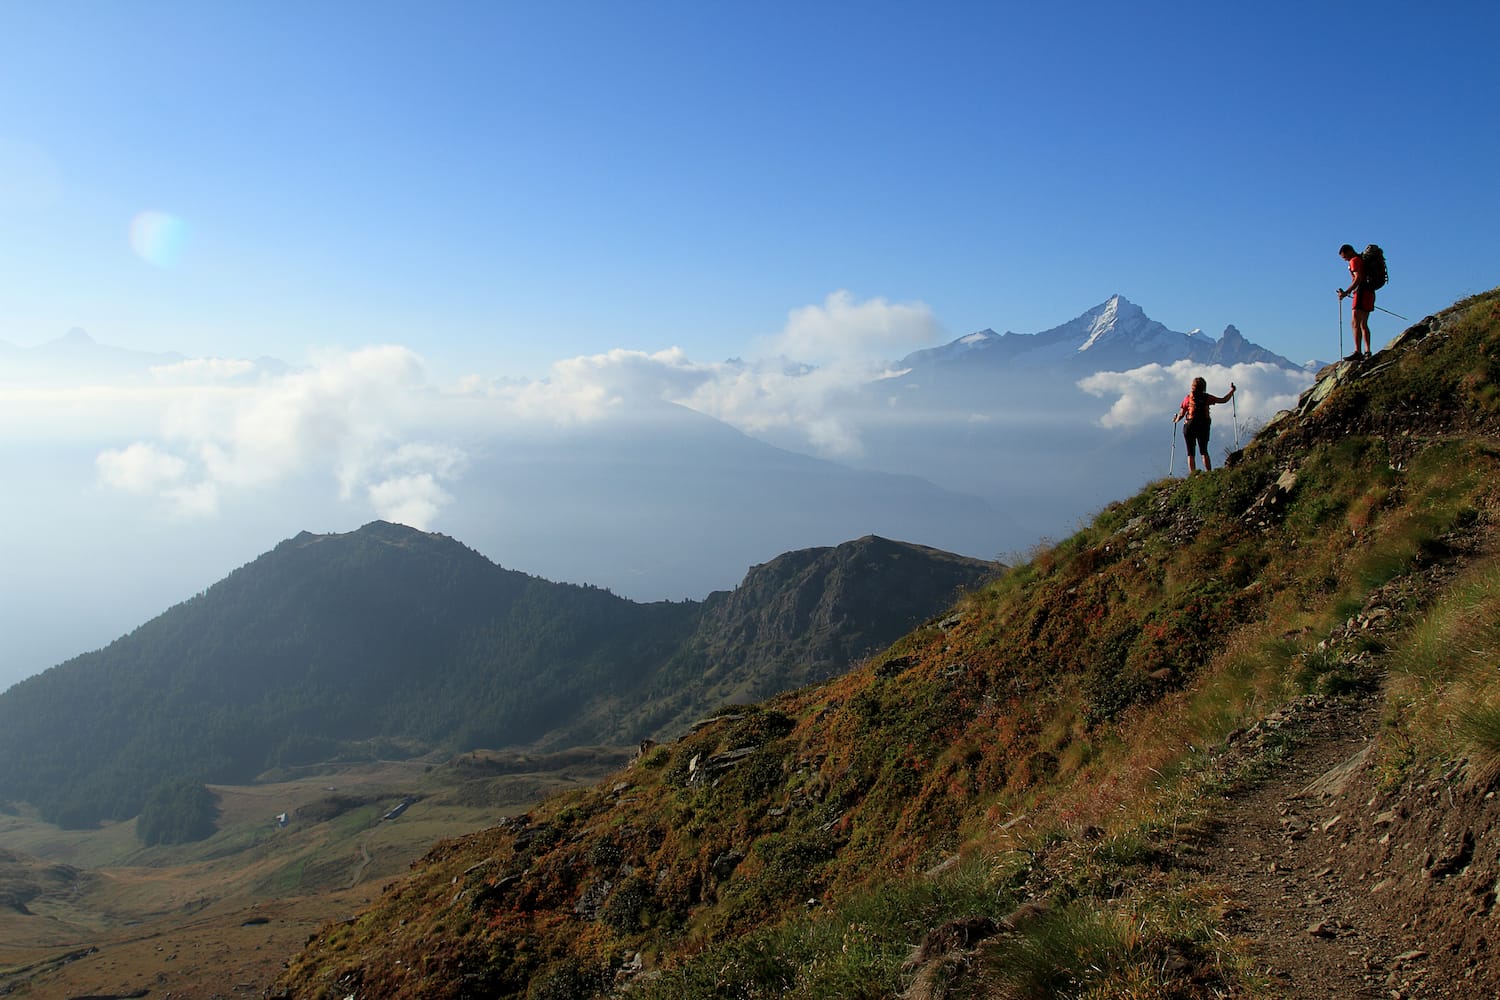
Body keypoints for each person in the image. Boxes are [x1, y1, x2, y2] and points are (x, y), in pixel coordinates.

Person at [1173, 376, 1236, 473]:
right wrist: (1232, 391)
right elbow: (1223, 400)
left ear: (1193, 386)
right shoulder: (1207, 397)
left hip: (1189, 425)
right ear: (1204, 387)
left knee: (1190, 453)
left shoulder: (1188, 398)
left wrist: (1176, 420)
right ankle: (1208, 472)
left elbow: (1181, 414)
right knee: (1204, 451)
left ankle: (1193, 475)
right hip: (1203, 425)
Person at [1338, 243, 1374, 361]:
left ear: (1349, 252)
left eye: (1344, 257)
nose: (1345, 260)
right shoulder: (1362, 260)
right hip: (1369, 292)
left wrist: (1346, 292)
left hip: (1360, 293)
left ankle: (1358, 351)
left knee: (1355, 323)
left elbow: (1358, 278)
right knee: (1363, 323)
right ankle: (1367, 351)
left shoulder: (1354, 260)